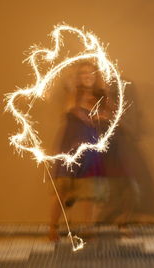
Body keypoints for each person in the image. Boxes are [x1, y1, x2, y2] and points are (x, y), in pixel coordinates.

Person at [49, 61, 109, 241]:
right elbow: (69, 104)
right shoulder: (73, 94)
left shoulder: (100, 98)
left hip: (90, 147)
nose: (88, 76)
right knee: (62, 189)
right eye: (83, 73)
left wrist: (99, 114)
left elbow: (109, 114)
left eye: (91, 72)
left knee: (90, 190)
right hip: (70, 147)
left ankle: (88, 228)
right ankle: (52, 228)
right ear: (78, 77)